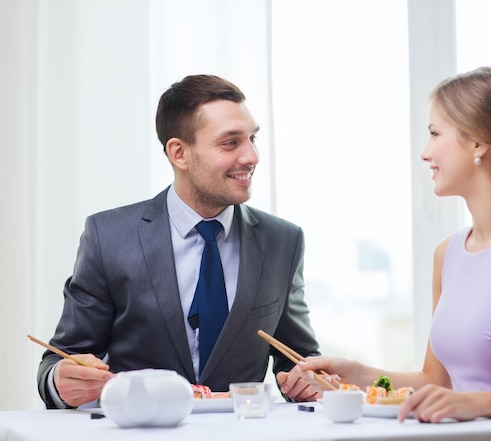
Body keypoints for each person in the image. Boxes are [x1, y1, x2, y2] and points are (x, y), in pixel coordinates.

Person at [288, 67, 491, 425]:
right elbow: (434, 382)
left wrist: (473, 403)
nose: (425, 152)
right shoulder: (448, 254)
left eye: (435, 134)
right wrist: (353, 373)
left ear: (479, 143)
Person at [36, 74, 321, 409]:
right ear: (179, 153)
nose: (252, 156)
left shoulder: (283, 241)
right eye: (231, 143)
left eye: (252, 138)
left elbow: (298, 361)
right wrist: (61, 381)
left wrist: (307, 380)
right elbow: (59, 363)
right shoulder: (108, 236)